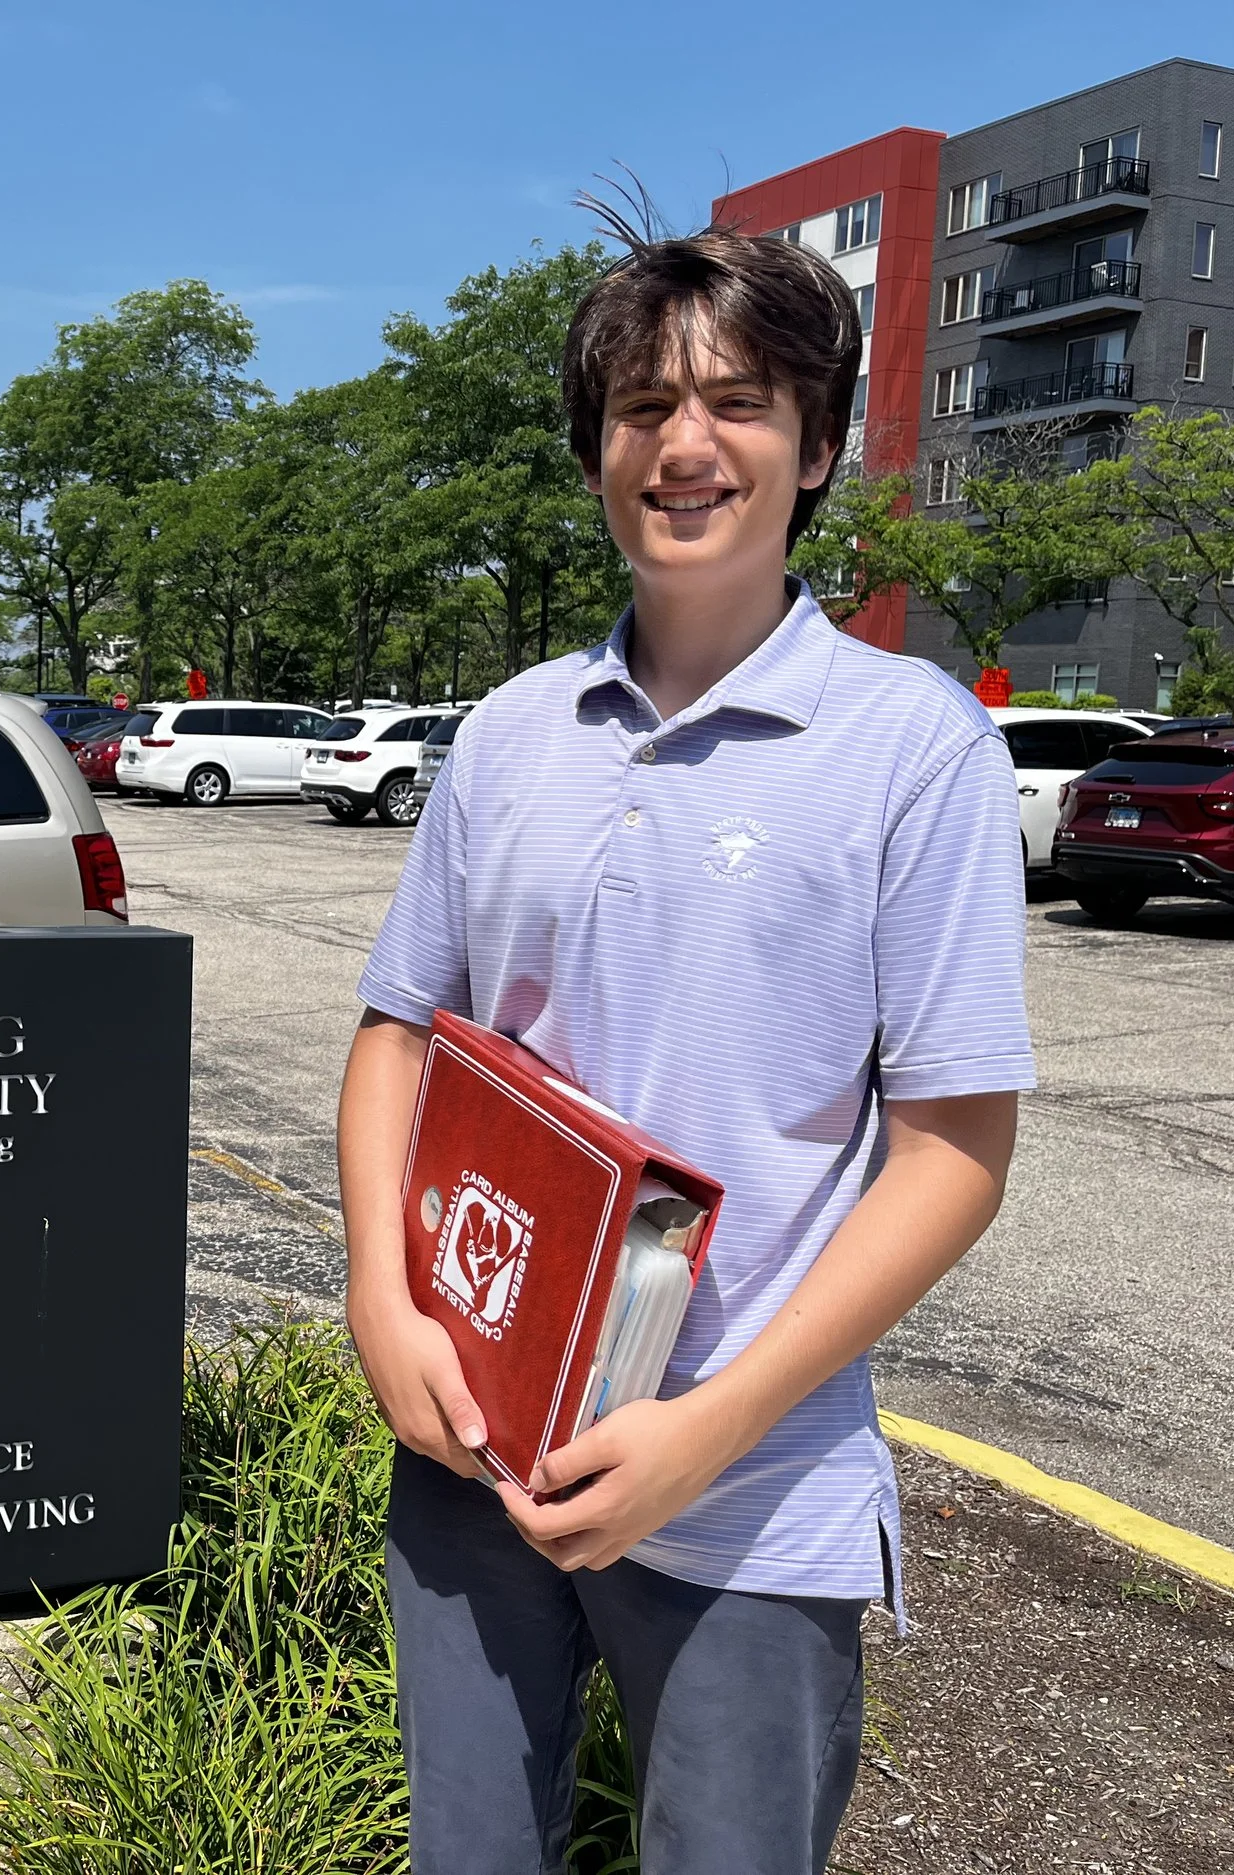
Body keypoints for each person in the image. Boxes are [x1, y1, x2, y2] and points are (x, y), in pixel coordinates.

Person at [337, 226, 1034, 1874]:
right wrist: (383, 1298)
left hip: (748, 1488)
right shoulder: (508, 736)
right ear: (596, 446)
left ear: (815, 447)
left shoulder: (913, 750)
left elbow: (955, 1151)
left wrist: (707, 1432)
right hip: (470, 1436)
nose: (686, 444)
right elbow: (396, 1038)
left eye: (739, 401)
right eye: (644, 404)